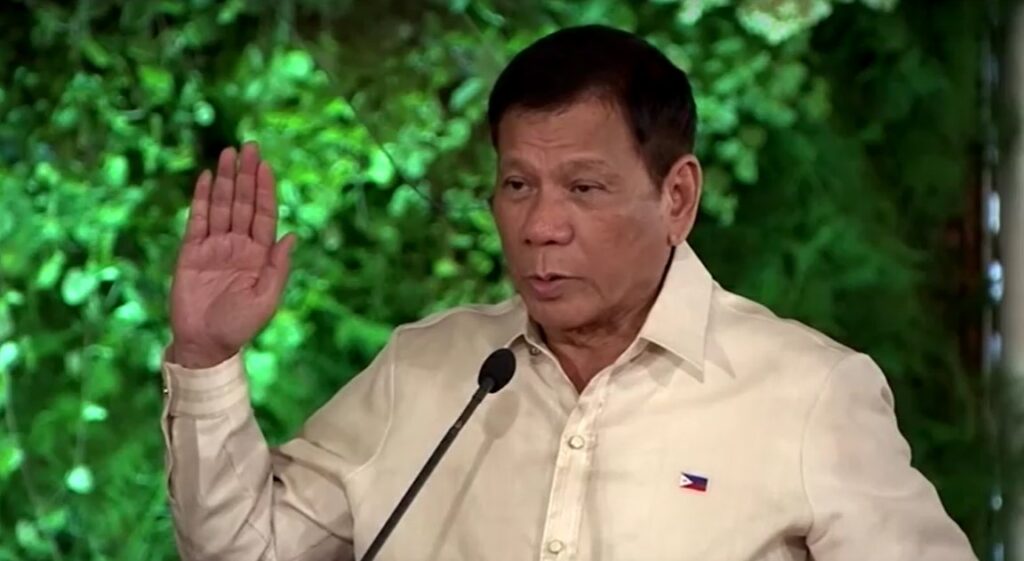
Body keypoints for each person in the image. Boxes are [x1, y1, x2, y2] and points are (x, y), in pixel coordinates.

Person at [160, 25, 977, 561]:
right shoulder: (432, 369)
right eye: (518, 184)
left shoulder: (808, 393)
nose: (541, 224)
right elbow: (244, 549)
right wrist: (205, 356)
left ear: (677, 198)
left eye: (583, 188)